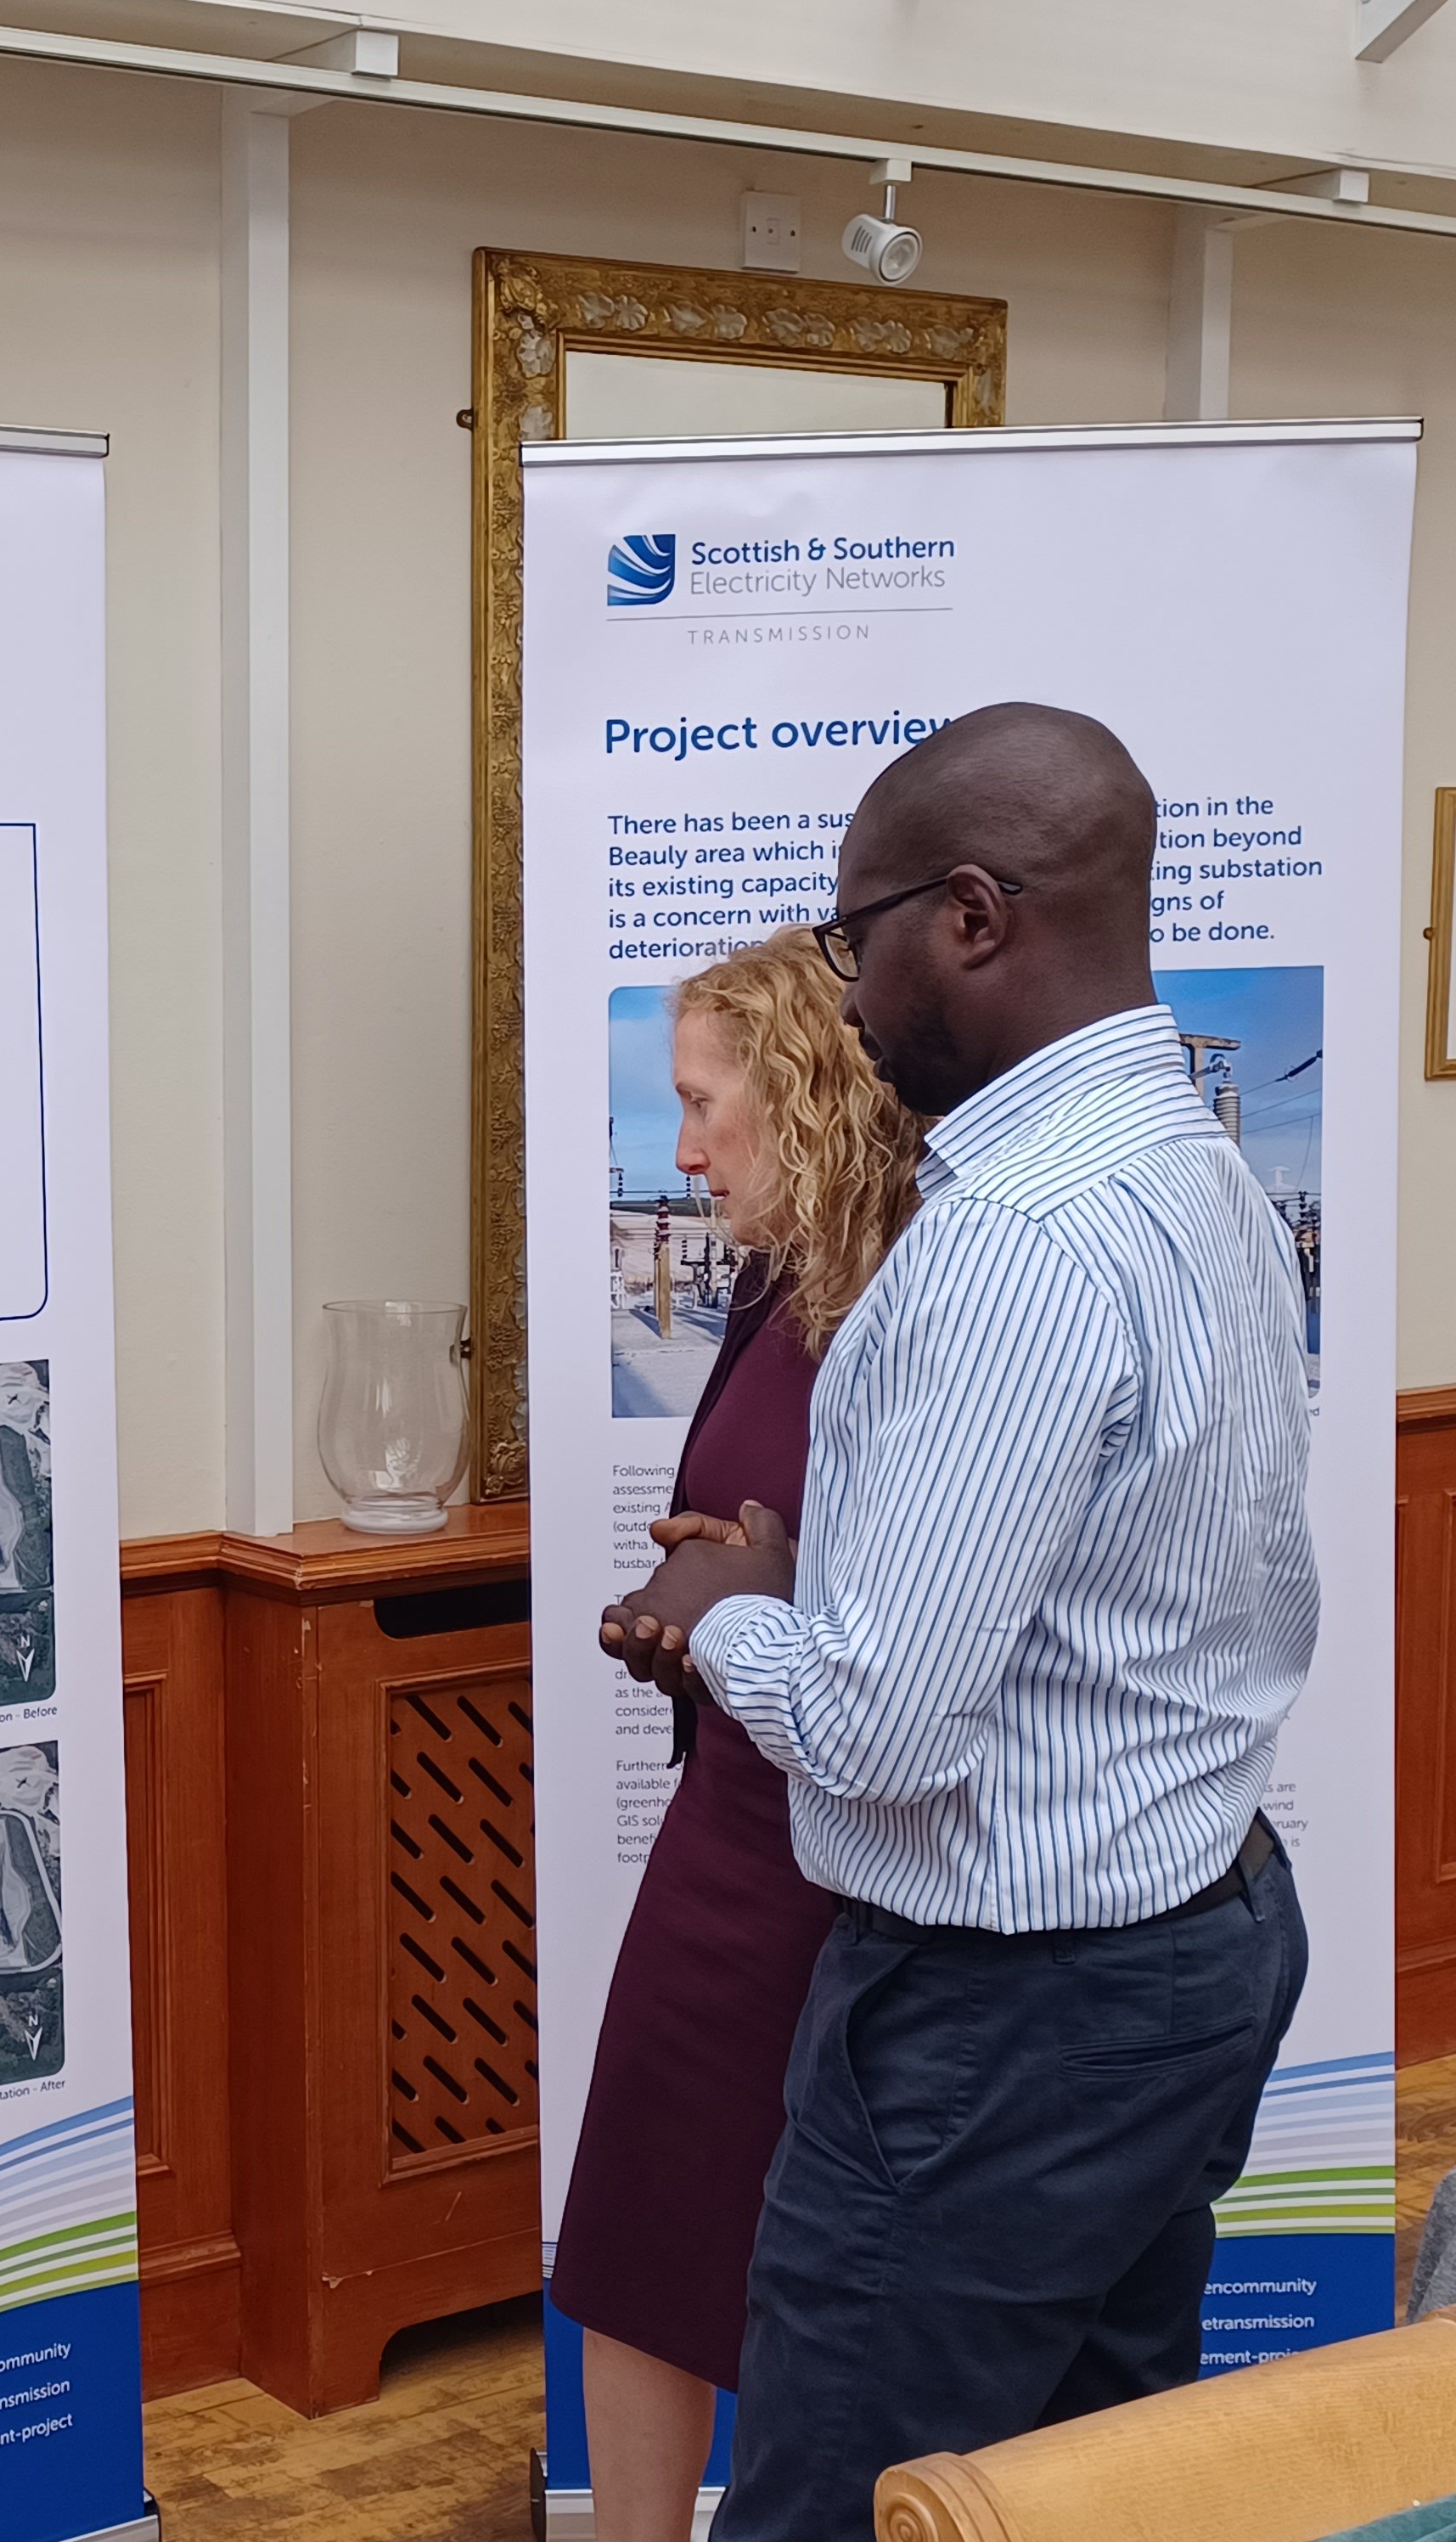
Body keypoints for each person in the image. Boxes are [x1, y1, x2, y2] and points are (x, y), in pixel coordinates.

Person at [601, 703, 1318, 2541]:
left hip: (1006, 2013)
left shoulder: (1002, 1240)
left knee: (847, 2506)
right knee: (1083, 2483)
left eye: (861, 939)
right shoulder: (1197, 1173)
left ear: (974, 917)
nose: (844, 996)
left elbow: (875, 1733)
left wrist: (726, 1609)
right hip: (1197, 1934)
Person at [554, 931, 922, 2542]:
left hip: (881, 1847)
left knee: (841, 2277)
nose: (683, 1149)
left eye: (706, 1104)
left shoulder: (942, 1282)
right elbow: (771, 1520)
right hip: (734, 1809)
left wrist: (769, 1589)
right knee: (643, 2225)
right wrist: (707, 1581)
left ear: (815, 1096)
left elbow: (930, 1604)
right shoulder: (778, 1276)